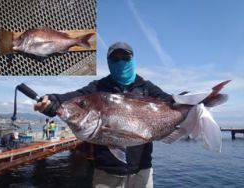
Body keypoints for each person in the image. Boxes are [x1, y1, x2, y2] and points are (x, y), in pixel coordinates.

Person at [34, 42, 173, 188]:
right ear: (108, 62)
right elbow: (75, 97)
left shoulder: (146, 87)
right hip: (107, 173)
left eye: (125, 58)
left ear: (132, 60)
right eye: (115, 59)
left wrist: (193, 102)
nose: (120, 62)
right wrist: (53, 101)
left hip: (142, 170)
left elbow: (172, 102)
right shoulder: (98, 87)